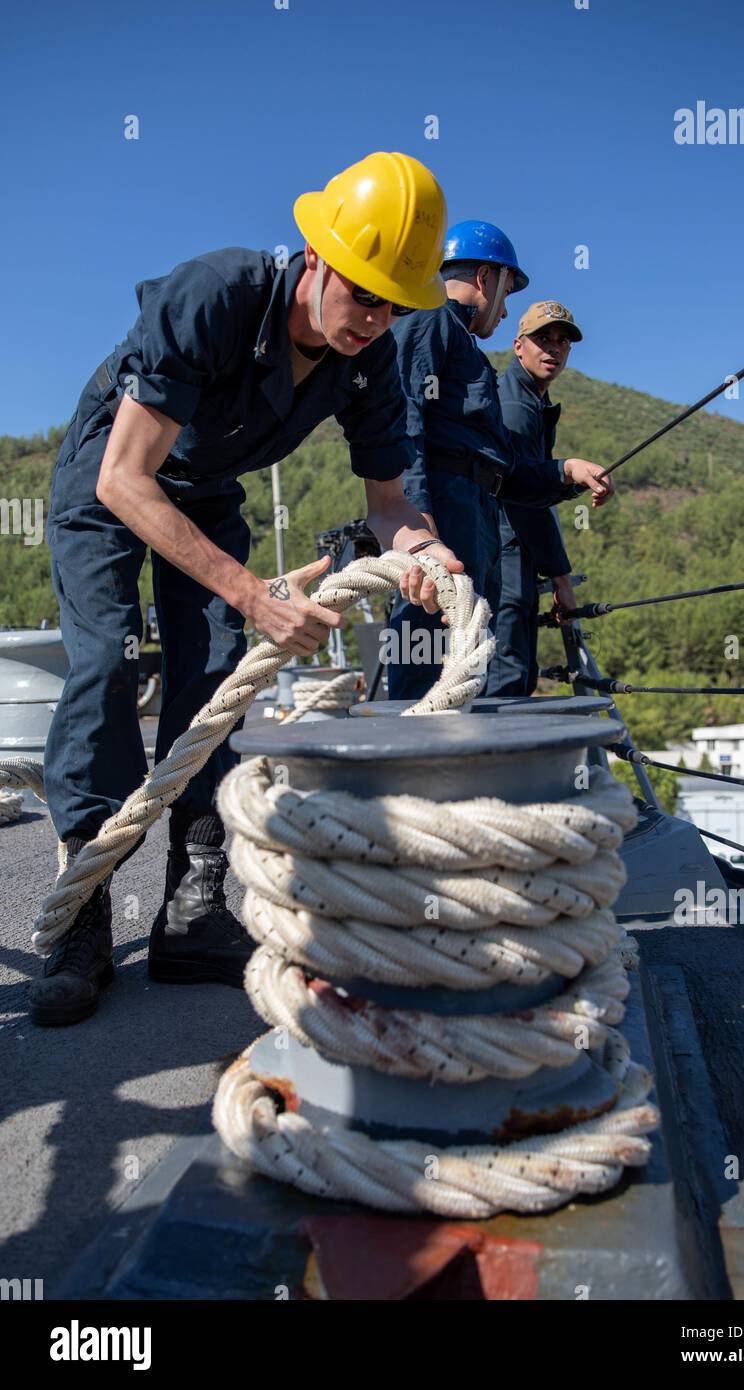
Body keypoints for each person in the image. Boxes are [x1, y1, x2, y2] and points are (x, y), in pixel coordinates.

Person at [31, 151, 461, 1028]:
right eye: (363, 292)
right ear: (317, 258)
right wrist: (258, 594)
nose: (374, 319)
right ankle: (82, 915)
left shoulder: (368, 361)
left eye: (392, 303)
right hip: (112, 474)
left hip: (208, 488)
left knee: (220, 671)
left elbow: (388, 507)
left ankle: (194, 904)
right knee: (108, 661)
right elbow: (125, 478)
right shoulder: (214, 295)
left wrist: (425, 552)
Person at [385, 220, 613, 701]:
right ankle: (415, 771)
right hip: (447, 515)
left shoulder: (463, 345)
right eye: (508, 291)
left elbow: (504, 470)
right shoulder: (430, 321)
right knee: (427, 672)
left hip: (475, 514)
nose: (506, 309)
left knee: (466, 676)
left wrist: (566, 471)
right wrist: (421, 532)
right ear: (486, 278)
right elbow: (404, 426)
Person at [486, 300, 583, 697]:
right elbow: (524, 499)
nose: (554, 348)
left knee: (514, 667)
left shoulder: (531, 401)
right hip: (505, 550)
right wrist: (561, 578)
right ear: (518, 345)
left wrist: (570, 482)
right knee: (506, 673)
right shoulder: (515, 406)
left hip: (512, 551)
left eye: (562, 341)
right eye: (542, 338)